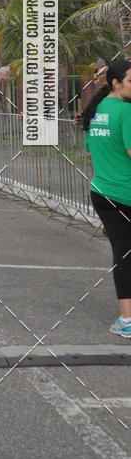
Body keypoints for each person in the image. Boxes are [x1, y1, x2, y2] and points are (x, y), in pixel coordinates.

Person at [81, 59, 131, 338]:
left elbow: (90, 153)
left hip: (101, 192)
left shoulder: (95, 110)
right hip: (125, 194)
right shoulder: (126, 111)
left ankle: (127, 318)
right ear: (115, 83)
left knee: (123, 251)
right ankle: (127, 319)